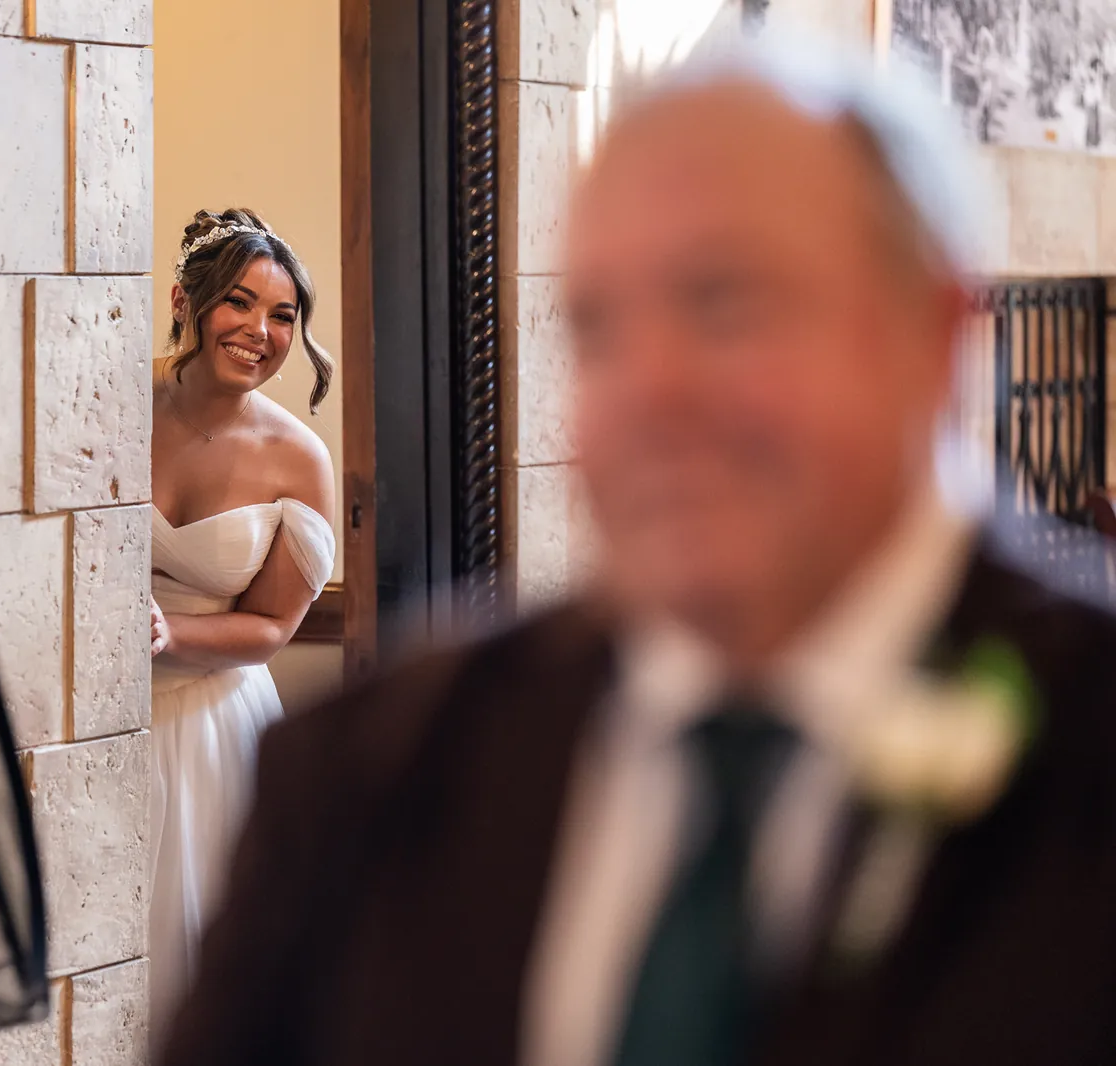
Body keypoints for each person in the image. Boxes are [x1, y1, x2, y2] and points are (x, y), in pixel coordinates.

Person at [159, 37, 1116, 1066]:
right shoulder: (378, 769)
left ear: (932, 330)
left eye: (723, 302)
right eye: (599, 327)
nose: (646, 393)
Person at [148, 208, 338, 1048]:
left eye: (284, 314)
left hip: (209, 723)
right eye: (238, 303)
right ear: (186, 302)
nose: (261, 331)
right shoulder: (109, 395)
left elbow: (270, 625)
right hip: (89, 718)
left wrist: (169, 637)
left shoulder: (298, 458)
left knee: (200, 970)